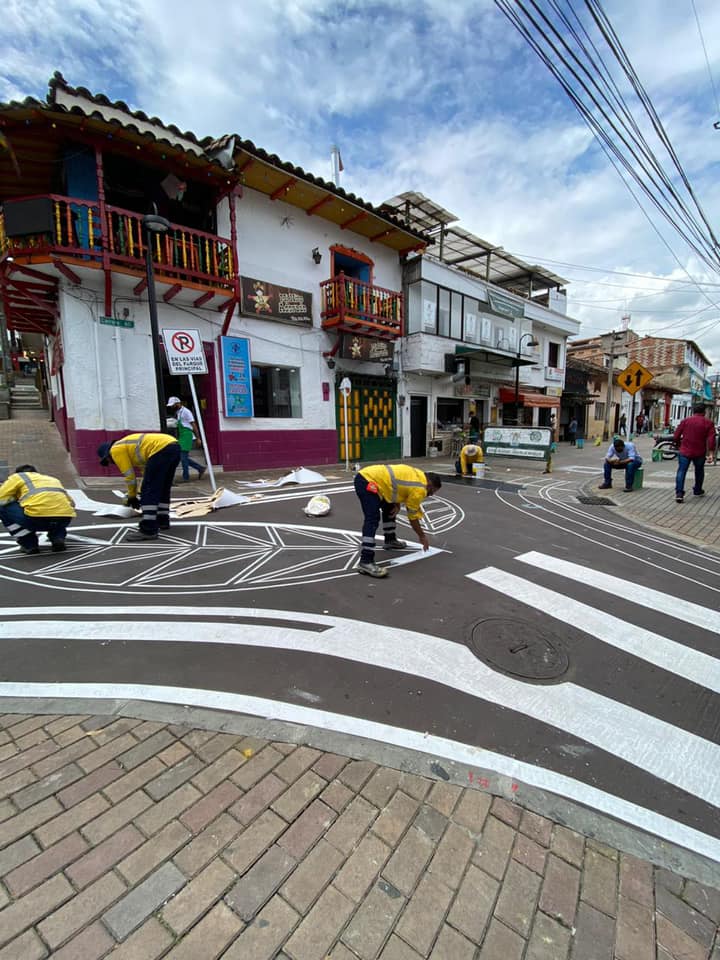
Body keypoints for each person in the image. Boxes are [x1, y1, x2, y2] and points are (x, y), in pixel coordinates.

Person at [354, 464, 442, 578]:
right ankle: (366, 561)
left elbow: (397, 485)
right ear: (429, 484)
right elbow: (413, 517)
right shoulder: (420, 489)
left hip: (373, 479)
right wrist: (422, 536)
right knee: (372, 518)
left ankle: (390, 540)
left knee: (390, 507)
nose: (431, 494)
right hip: (368, 481)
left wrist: (397, 503)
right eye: (432, 491)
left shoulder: (419, 475)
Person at [98, 433, 181, 540]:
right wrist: (138, 492)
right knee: (162, 487)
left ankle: (148, 529)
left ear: (107, 455)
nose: (111, 463)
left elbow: (130, 477)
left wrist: (132, 496)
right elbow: (145, 474)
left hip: (161, 449)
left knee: (149, 490)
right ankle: (162, 520)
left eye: (107, 461)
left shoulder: (115, 450)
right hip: (173, 446)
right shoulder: (132, 449)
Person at [0, 464, 76, 554]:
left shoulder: (17, 477)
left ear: (18, 473)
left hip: (36, 520)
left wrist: (15, 498)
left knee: (3, 508)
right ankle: (57, 538)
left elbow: (1, 498)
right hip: (64, 520)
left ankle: (29, 544)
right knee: (57, 509)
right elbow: (72, 503)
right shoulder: (52, 479)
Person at [672, 403, 716, 504]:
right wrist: (711, 453)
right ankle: (697, 490)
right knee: (699, 471)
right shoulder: (708, 423)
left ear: (693, 411)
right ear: (704, 412)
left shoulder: (685, 421)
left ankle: (679, 493)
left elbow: (676, 436)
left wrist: (679, 445)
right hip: (699, 452)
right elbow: (711, 439)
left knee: (681, 471)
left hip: (685, 450)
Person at [167, 396, 206, 483]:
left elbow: (193, 424)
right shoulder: (178, 412)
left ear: (178, 403)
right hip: (182, 436)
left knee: (183, 457)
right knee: (182, 457)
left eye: (173, 405)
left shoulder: (186, 412)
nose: (172, 407)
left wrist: (198, 438)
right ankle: (200, 468)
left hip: (187, 436)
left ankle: (186, 477)